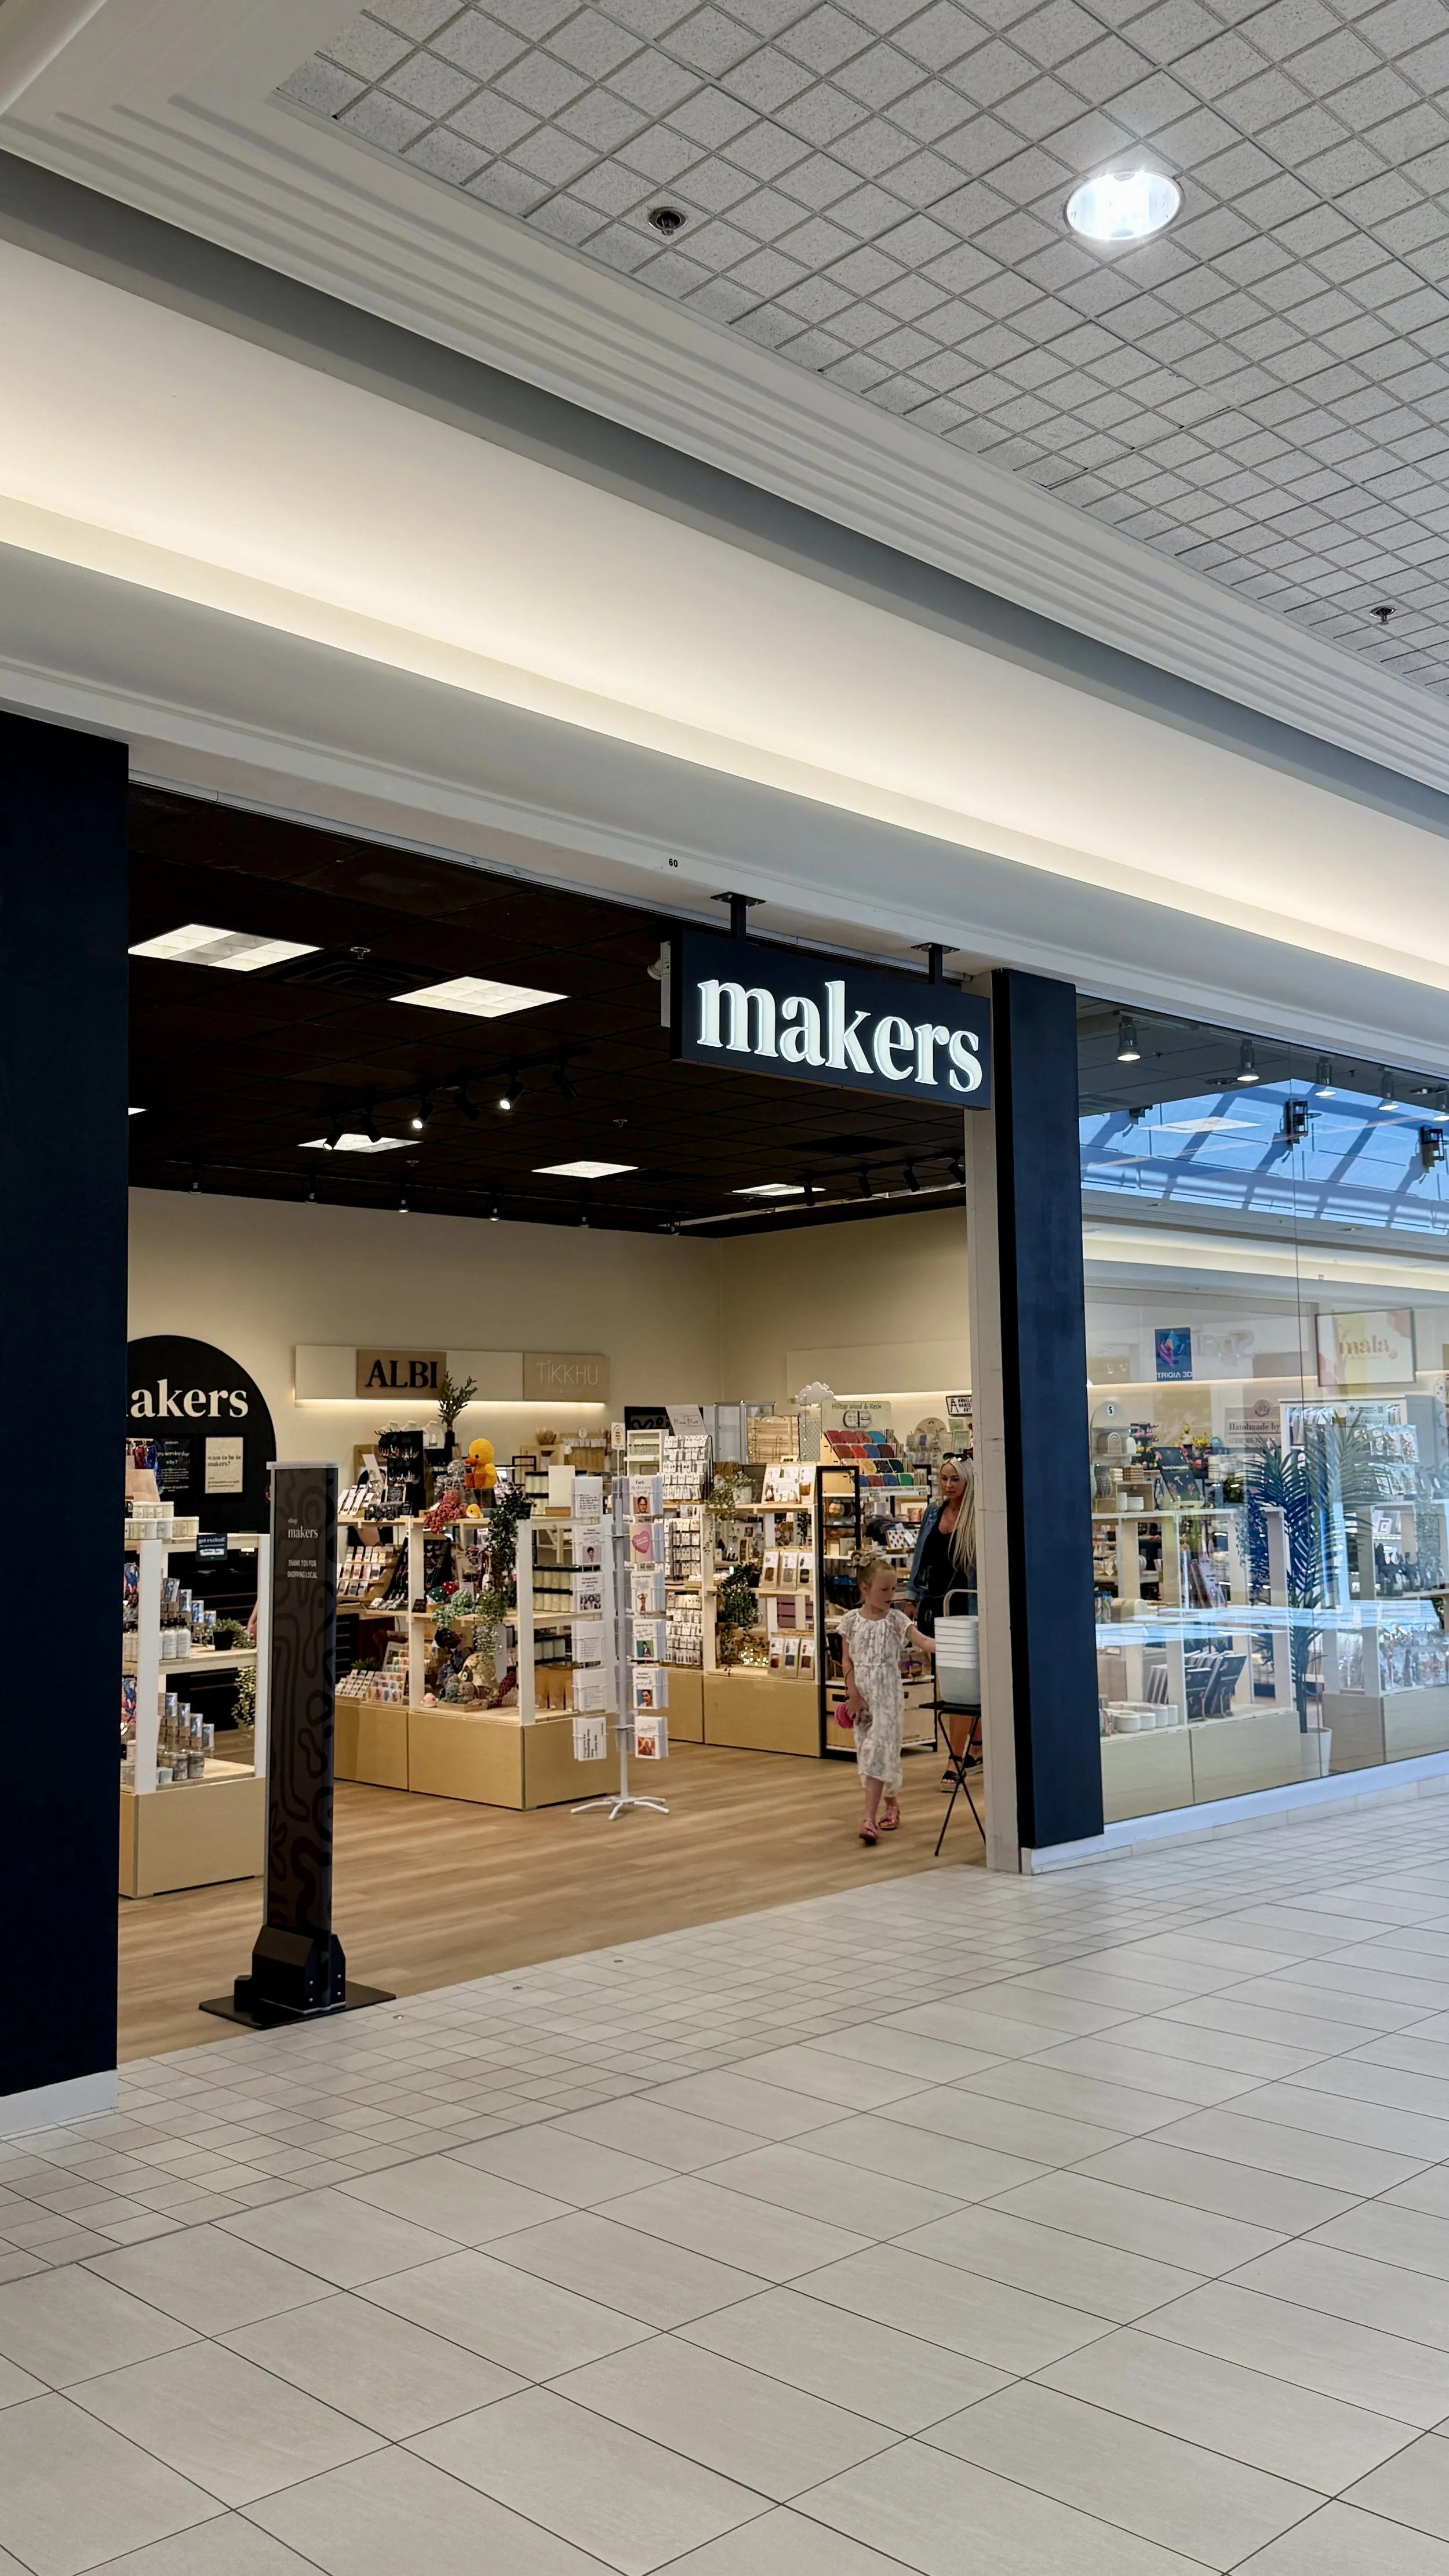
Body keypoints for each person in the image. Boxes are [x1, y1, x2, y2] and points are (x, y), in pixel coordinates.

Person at [840, 1555, 935, 1846]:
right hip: (863, 1699)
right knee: (870, 1753)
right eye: (884, 1590)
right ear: (864, 1589)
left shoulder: (897, 1620)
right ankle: (891, 1803)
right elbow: (847, 1662)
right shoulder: (850, 1622)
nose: (890, 1596)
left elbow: (924, 1642)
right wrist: (852, 1695)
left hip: (888, 1698)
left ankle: (869, 1819)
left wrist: (960, 1645)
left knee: (880, 1750)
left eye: (893, 1590)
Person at [907, 1455, 978, 1784]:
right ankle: (974, 1747)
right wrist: (912, 1596)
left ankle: (956, 1757)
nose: (948, 1486)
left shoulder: (979, 1515)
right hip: (935, 1604)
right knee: (948, 1681)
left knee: (959, 1686)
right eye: (944, 1479)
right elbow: (922, 1557)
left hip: (967, 1606)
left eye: (955, 1480)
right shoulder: (934, 1513)